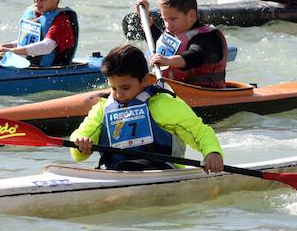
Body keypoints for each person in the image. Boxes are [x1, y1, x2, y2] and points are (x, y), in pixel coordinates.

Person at [70, 44, 224, 173]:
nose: (119, 94)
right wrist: (81, 145)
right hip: (117, 173)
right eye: (113, 88)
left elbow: (200, 132)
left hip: (163, 173)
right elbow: (80, 140)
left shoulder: (165, 105)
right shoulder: (103, 108)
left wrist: (212, 152)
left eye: (125, 87)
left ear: (144, 80)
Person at [135, 0, 227, 89]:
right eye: (165, 20)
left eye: (173, 19)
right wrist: (144, 16)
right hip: (175, 90)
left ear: (191, 15)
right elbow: (157, 42)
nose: (168, 26)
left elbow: (195, 56)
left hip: (205, 94)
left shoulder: (207, 37)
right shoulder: (176, 33)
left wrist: (167, 60)